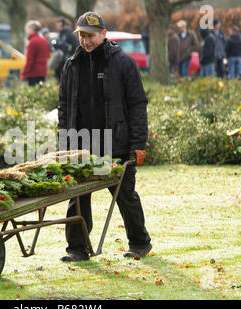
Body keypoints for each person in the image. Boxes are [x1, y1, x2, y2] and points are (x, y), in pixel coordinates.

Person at [57, 12, 152, 262]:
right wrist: (64, 144)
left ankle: (140, 243)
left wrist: (138, 144)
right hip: (81, 147)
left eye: (90, 36)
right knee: (77, 198)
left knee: (125, 196)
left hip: (116, 145)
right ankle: (77, 249)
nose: (86, 41)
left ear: (103, 34)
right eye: (82, 36)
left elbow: (137, 104)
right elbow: (64, 108)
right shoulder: (71, 65)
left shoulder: (123, 63)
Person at [21, 20, 50, 87]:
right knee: (41, 93)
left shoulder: (32, 42)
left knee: (33, 94)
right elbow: (48, 55)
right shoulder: (44, 40)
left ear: (32, 29)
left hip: (33, 73)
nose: (26, 30)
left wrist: (24, 73)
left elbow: (29, 60)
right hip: (43, 72)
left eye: (27, 28)